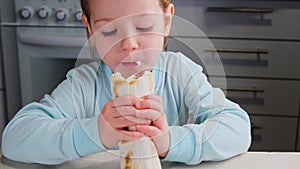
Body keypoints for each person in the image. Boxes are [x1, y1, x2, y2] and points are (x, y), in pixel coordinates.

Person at [1, 0, 251, 165]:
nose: (129, 44)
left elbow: (237, 128)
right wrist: (95, 133)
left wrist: (169, 141)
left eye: (143, 26)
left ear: (166, 21)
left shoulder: (181, 71)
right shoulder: (83, 84)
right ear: (90, 29)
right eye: (109, 31)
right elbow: (15, 139)